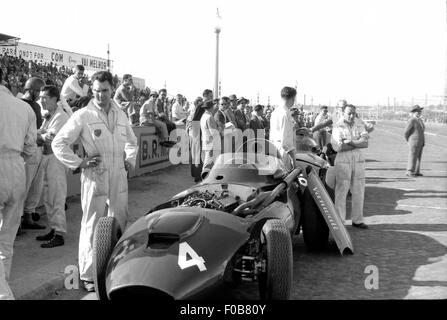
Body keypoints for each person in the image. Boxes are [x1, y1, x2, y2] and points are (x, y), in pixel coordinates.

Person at [52, 71, 138, 292]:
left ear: (112, 89)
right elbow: (59, 143)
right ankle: (89, 275)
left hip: (118, 173)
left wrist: (129, 160)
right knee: (92, 224)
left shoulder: (120, 114)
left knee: (120, 218)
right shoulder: (83, 115)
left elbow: (132, 141)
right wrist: (79, 163)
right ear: (92, 89)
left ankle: (112, 267)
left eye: (105, 91)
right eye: (97, 91)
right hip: (95, 174)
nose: (101, 95)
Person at [0, 80, 37, 300]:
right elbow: (31, 149)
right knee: (6, 242)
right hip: (16, 166)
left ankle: (4, 295)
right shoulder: (23, 107)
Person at [31, 85, 70, 248]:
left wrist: (36, 135)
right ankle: (54, 228)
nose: (41, 100)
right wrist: (38, 134)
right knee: (48, 197)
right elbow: (41, 133)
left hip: (56, 159)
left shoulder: (61, 116)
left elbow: (47, 138)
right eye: (40, 97)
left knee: (57, 197)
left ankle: (59, 233)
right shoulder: (50, 115)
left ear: (55, 98)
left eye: (45, 97)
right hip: (48, 157)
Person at [331, 104, 369, 229]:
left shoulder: (359, 124)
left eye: (353, 113)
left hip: (358, 160)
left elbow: (365, 143)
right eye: (349, 113)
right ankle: (340, 221)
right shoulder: (338, 126)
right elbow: (339, 147)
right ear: (343, 113)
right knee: (341, 191)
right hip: (343, 160)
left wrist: (351, 142)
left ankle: (357, 220)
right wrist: (357, 142)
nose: (351, 115)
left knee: (359, 191)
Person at [21, 77, 47, 230]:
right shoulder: (22, 105)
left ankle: (29, 216)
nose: (40, 95)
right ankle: (18, 219)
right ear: (31, 90)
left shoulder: (36, 106)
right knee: (24, 186)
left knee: (36, 186)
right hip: (27, 150)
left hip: (38, 148)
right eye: (38, 91)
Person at [186, 89, 213, 182]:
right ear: (205, 96)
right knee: (197, 154)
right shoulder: (201, 106)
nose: (212, 98)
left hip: (199, 133)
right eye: (210, 96)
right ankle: (197, 176)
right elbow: (195, 120)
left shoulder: (204, 105)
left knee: (198, 155)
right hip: (197, 133)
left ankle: (196, 173)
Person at [270, 87, 297, 169]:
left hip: (274, 148)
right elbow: (285, 140)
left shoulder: (275, 111)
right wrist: (293, 158)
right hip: (284, 152)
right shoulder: (285, 113)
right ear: (292, 98)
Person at [200, 100, 221, 178]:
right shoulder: (209, 117)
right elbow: (214, 132)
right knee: (208, 162)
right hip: (211, 142)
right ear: (211, 107)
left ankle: (206, 179)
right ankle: (205, 180)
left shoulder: (203, 116)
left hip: (206, 141)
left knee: (208, 161)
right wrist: (220, 129)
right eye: (213, 106)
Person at [404, 105, 425, 177]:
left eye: (420, 111)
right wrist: (408, 140)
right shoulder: (412, 120)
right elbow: (406, 132)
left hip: (420, 142)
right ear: (413, 112)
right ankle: (410, 171)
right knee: (412, 156)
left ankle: (416, 171)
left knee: (418, 157)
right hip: (414, 141)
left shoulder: (420, 120)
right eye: (417, 111)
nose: (419, 112)